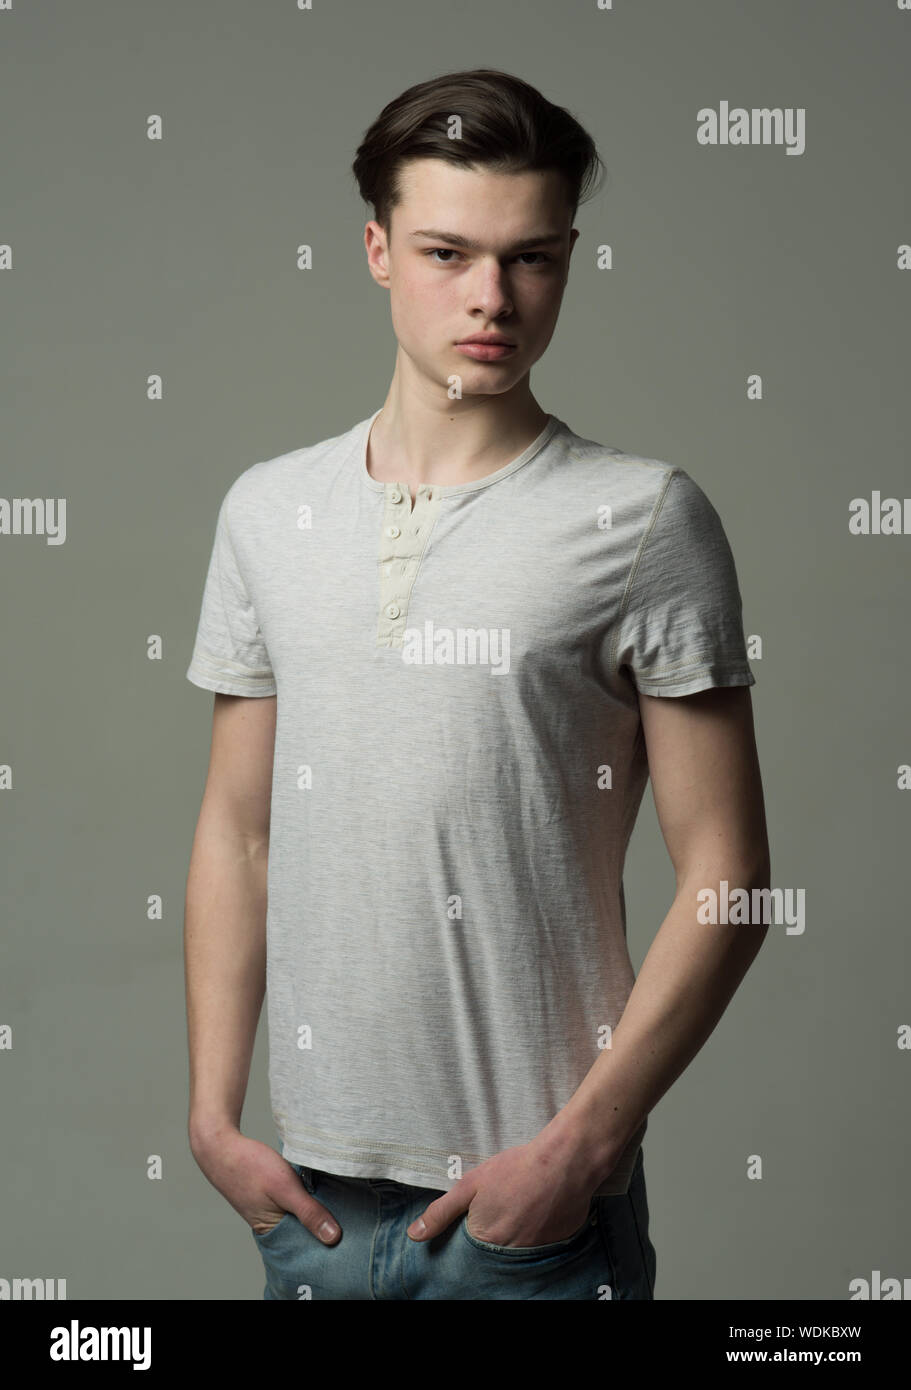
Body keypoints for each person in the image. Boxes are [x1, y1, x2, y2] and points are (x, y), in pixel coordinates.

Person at [183, 68, 770, 1301]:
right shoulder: (267, 512)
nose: (491, 298)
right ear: (375, 248)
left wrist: (582, 1147)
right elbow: (237, 834)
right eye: (447, 251)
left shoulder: (643, 518)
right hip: (310, 1207)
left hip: (532, 1214)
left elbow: (728, 875)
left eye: (532, 258)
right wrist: (212, 1121)